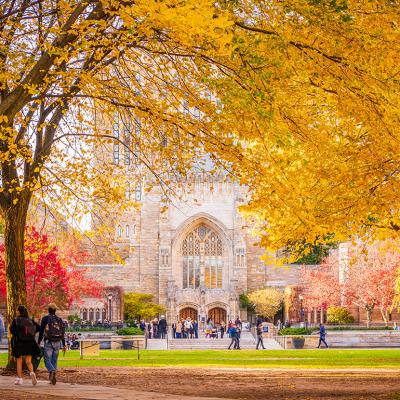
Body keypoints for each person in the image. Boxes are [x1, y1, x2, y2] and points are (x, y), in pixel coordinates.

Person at [10, 305, 40, 386]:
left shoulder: (16, 320)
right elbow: (38, 327)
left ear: (19, 311)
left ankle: (20, 379)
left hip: (20, 343)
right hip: (30, 342)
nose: (16, 312)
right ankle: (32, 373)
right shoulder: (30, 320)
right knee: (28, 361)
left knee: (19, 361)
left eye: (17, 310)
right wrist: (31, 333)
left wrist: (18, 334)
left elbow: (11, 330)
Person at [38, 303, 66, 385]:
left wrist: (39, 341)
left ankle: (52, 371)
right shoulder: (59, 319)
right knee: (54, 360)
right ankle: (52, 378)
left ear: (48, 310)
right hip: (58, 341)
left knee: (47, 359)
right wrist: (64, 344)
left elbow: (41, 331)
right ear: (55, 310)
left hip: (49, 341)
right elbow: (62, 333)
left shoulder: (45, 318)